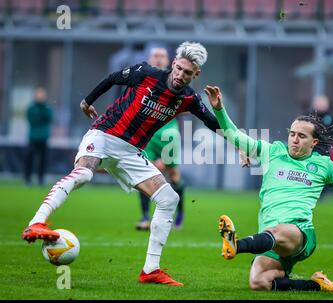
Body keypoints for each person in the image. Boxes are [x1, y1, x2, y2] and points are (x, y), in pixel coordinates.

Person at [21, 41, 220, 286]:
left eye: (187, 73)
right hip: (104, 134)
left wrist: (238, 139)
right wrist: (87, 101)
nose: (180, 75)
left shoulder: (189, 98)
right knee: (83, 175)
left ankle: (150, 270)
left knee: (169, 199)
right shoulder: (146, 73)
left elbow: (213, 123)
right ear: (173, 64)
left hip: (131, 152)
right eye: (178, 68)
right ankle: (36, 223)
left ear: (196, 74)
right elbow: (114, 77)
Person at [204, 85, 333, 293]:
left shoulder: (324, 165)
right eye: (292, 134)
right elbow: (232, 135)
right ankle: (317, 284)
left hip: (299, 233)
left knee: (276, 231)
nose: (294, 139)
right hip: (270, 240)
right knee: (259, 283)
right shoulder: (273, 152)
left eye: (301, 136)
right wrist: (219, 108)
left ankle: (236, 245)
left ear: (313, 142)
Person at [135, 46, 186, 231]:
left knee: (173, 175)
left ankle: (180, 213)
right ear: (149, 59)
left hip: (168, 134)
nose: (158, 59)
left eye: (162, 56)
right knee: (143, 174)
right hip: (146, 133)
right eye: (155, 56)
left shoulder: (177, 79)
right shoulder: (143, 78)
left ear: (170, 61)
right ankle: (145, 216)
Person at [24, 87, 53, 186]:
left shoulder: (46, 108)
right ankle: (27, 178)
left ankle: (41, 179)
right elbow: (32, 120)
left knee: (42, 160)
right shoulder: (31, 108)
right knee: (30, 159)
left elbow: (49, 118)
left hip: (43, 137)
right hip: (33, 137)